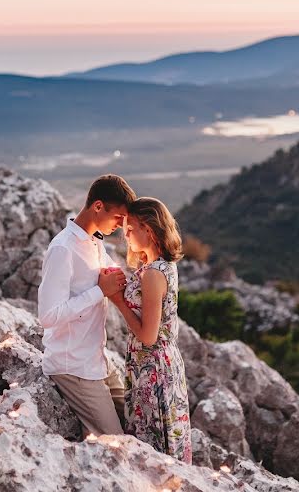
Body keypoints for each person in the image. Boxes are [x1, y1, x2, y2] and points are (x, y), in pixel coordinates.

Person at [37, 174, 136, 436]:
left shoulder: (95, 241)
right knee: (117, 443)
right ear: (98, 206)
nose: (120, 225)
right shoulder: (63, 249)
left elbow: (108, 279)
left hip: (97, 360)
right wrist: (99, 291)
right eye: (118, 218)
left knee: (141, 420)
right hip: (73, 366)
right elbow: (48, 316)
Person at [109, 197, 192, 463]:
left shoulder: (154, 274)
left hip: (153, 370)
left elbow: (148, 336)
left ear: (150, 228)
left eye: (131, 228)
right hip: (156, 365)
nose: (127, 235)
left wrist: (118, 300)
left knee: (153, 451)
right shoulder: (160, 266)